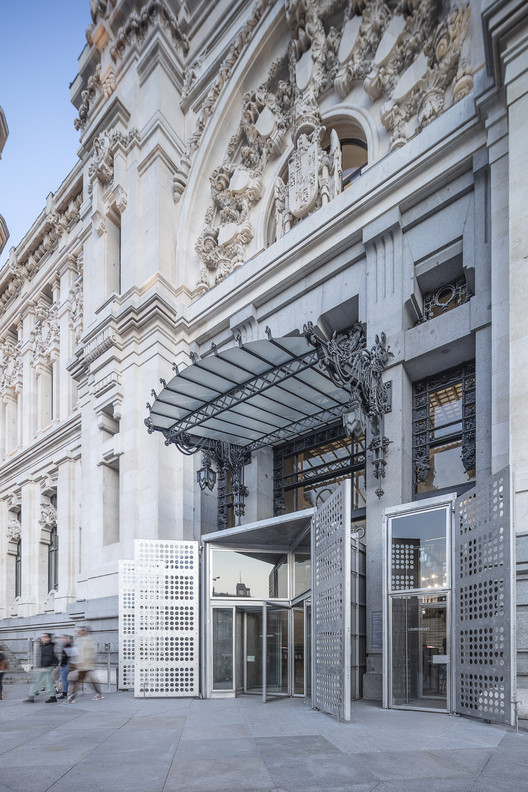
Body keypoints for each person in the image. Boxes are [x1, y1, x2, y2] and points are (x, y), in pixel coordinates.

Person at [66, 625, 103, 703]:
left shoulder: (89, 640)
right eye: (79, 630)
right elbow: (76, 652)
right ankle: (99, 694)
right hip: (81, 664)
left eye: (82, 630)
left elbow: (94, 651)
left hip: (86, 664)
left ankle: (71, 697)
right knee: (89, 680)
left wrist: (89, 659)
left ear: (86, 631)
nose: (79, 632)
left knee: (78, 680)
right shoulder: (78, 640)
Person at [24, 633, 58, 703]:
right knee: (45, 681)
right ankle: (51, 696)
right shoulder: (44, 646)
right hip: (45, 666)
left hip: (48, 667)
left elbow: (50, 657)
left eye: (44, 637)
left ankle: (32, 695)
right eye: (42, 637)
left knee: (44, 681)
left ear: (49, 638)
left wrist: (44, 666)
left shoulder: (50, 646)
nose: (42, 638)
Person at [57, 635, 74, 699]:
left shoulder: (69, 646)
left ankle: (64, 693)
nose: (63, 639)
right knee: (62, 678)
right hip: (65, 665)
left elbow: (67, 657)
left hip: (67, 665)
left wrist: (61, 665)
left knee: (64, 679)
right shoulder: (66, 646)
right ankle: (64, 691)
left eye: (65, 638)